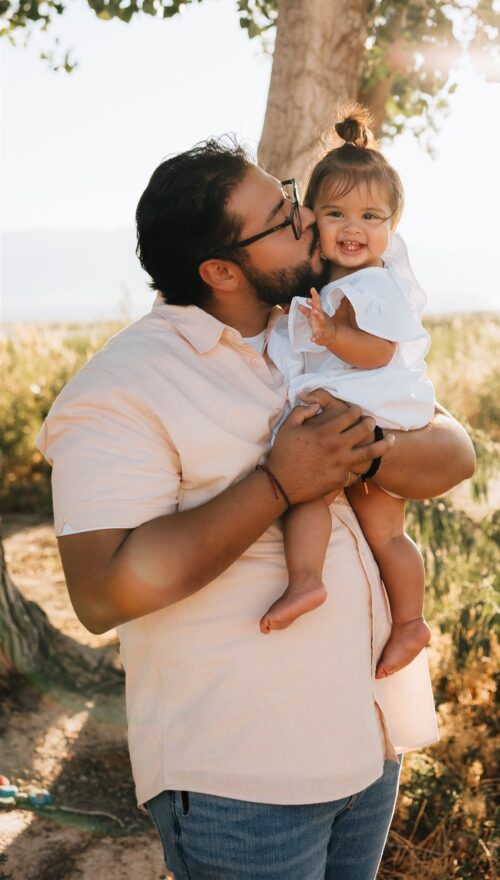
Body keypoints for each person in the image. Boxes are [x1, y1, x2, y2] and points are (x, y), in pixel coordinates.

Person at [37, 135, 476, 880]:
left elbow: (455, 455)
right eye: (283, 216)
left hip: (368, 743)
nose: (309, 221)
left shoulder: (313, 328)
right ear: (219, 270)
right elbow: (101, 592)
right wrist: (277, 484)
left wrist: (362, 449)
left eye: (291, 197)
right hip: (243, 780)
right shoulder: (121, 389)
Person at [261, 108, 434, 682]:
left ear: (392, 225)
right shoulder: (327, 280)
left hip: (373, 405)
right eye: (336, 214)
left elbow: (379, 351)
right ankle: (306, 580)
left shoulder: (374, 282)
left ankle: (411, 622)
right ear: (313, 219)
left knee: (386, 530)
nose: (352, 227)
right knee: (307, 490)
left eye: (369, 216)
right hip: (341, 407)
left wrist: (334, 334)